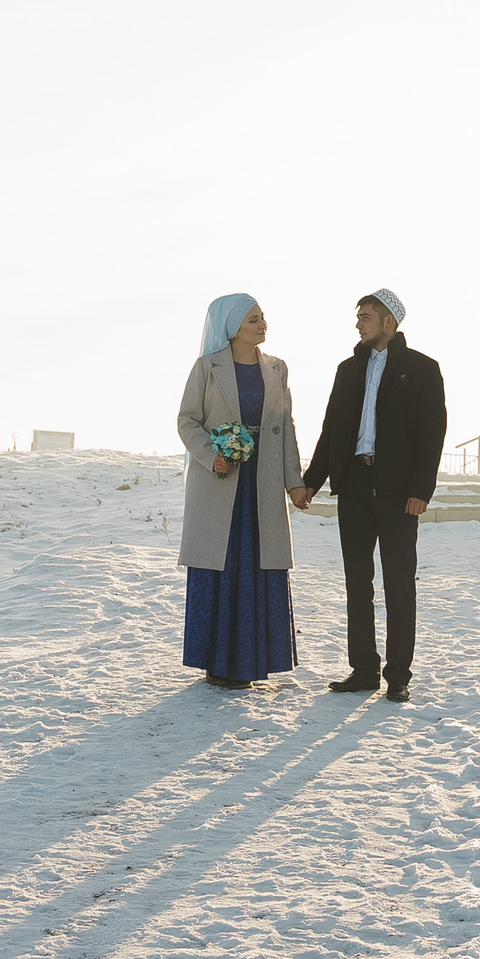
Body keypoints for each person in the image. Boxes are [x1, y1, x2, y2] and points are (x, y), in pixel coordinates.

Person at [289, 289, 446, 702]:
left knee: (399, 585)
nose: (358, 324)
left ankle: (398, 675)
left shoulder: (423, 369)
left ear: (389, 322)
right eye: (358, 317)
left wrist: (420, 491)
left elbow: (432, 434)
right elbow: (332, 431)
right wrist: (311, 481)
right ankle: (363, 669)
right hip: (354, 487)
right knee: (357, 582)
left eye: (366, 317)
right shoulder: (346, 370)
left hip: (398, 493)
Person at [174, 294, 300, 688]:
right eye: (253, 320)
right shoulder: (206, 368)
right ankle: (218, 664)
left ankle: (254, 661)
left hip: (262, 483)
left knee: (260, 566)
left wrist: (294, 482)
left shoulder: (277, 369)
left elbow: (287, 427)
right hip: (220, 480)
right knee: (222, 565)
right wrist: (211, 455)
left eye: (263, 318)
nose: (263, 326)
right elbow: (187, 420)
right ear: (232, 327)